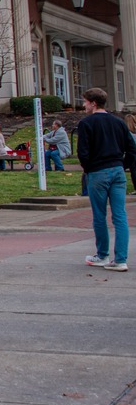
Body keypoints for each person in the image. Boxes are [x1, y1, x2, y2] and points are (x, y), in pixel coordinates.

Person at [77, 87, 134, 271]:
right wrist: (123, 164)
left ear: (93, 103)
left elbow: (83, 152)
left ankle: (102, 255)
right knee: (120, 216)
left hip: (98, 172)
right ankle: (121, 259)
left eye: (85, 101)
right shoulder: (118, 123)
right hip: (117, 170)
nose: (84, 105)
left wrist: (89, 168)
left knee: (99, 215)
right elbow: (132, 148)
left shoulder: (87, 124)